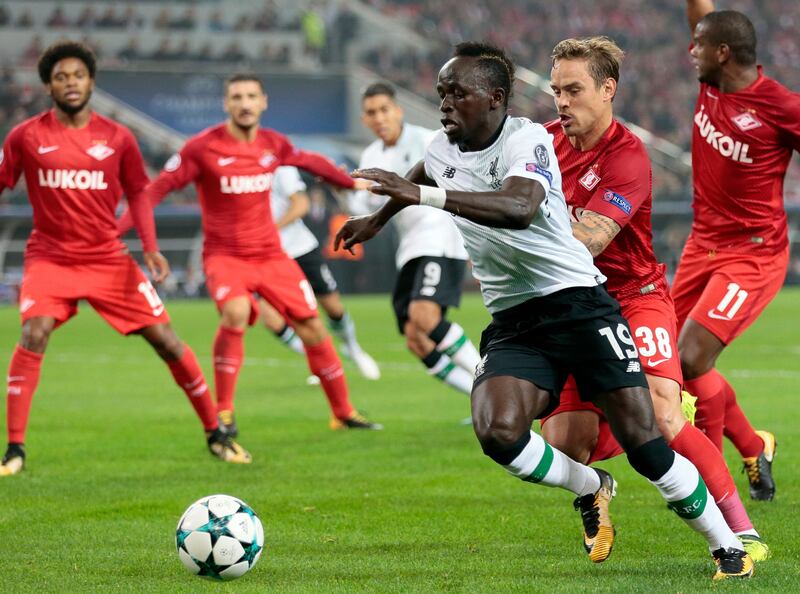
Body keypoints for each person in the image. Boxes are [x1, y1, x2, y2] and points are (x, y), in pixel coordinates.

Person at [335, 42, 753, 581]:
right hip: (516, 319)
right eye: (441, 93)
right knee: (498, 430)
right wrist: (379, 219)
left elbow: (518, 206)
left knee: (647, 442)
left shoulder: (526, 138)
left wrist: (418, 198)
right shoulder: (442, 148)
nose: (443, 105)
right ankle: (591, 487)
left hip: (579, 303)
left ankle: (728, 546)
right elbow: (428, 168)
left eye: (456, 93)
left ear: (494, 98)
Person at [538, 36, 768, 561]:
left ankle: (742, 531)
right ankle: (599, 477)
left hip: (632, 295)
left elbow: (590, 240)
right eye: (556, 90)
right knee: (564, 444)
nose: (561, 101)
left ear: (607, 88)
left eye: (574, 90)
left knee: (663, 417)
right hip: (571, 304)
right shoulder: (540, 145)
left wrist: (522, 228)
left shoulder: (628, 156)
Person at [0, 41, 250, 477]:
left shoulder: (118, 137)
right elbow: (3, 180)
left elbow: (138, 191)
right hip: (51, 259)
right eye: (60, 77)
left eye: (77, 75)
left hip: (107, 261)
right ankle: (14, 450)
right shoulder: (26, 136)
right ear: (48, 87)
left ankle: (216, 433)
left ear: (91, 81)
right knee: (34, 332)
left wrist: (150, 247)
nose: (70, 83)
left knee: (168, 342)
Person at [118, 74, 381, 437]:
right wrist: (117, 231)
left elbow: (309, 162)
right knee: (237, 311)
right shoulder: (201, 148)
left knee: (313, 326)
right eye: (237, 97)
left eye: (251, 96)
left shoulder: (273, 144)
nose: (244, 103)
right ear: (226, 104)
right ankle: (223, 413)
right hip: (226, 258)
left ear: (263, 102)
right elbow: (153, 192)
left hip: (272, 257)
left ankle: (343, 411)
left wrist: (350, 182)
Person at [674, 1, 800, 501]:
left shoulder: (780, 105)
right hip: (701, 244)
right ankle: (753, 446)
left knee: (689, 356)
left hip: (752, 255)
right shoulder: (713, 83)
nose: (691, 50)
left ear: (722, 53)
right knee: (664, 360)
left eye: (700, 44)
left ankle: (710, 480)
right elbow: (700, 12)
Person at [350, 82, 479, 399]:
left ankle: (494, 389)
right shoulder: (370, 156)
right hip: (409, 250)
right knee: (414, 337)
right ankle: (478, 401)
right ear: (364, 119)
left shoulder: (427, 140)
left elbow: (462, 181)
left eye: (384, 110)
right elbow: (364, 210)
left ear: (398, 110)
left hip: (439, 240)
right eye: (371, 113)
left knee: (424, 318)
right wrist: (354, 193)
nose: (379, 118)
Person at [257, 165, 381, 381]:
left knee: (332, 307)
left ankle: (353, 348)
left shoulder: (279, 168)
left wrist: (270, 230)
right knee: (270, 318)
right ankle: (322, 359)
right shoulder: (236, 174)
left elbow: (301, 204)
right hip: (266, 257)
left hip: (300, 249)